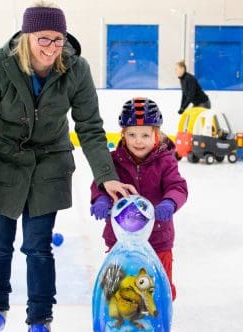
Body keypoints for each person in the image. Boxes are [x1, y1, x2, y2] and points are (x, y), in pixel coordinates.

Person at [0, 1, 136, 332]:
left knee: (38, 247)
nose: (52, 47)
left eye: (58, 39)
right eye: (44, 39)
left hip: (50, 162)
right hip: (2, 162)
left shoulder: (76, 68)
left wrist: (107, 177)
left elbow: (89, 127)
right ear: (27, 37)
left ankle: (40, 317)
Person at [89, 97, 188, 301]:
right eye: (132, 134)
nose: (138, 141)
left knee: (159, 289)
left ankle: (160, 315)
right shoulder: (114, 160)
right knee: (119, 290)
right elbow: (101, 184)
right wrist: (101, 201)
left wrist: (169, 202)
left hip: (158, 239)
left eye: (145, 135)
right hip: (120, 241)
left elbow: (177, 186)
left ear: (156, 135)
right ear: (123, 135)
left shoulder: (166, 161)